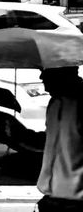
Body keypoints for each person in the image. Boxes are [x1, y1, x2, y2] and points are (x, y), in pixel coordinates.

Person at [38, 67, 83, 211]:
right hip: (52, 196)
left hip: (75, 201)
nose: (41, 77)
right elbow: (53, 143)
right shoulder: (54, 103)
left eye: (46, 72)